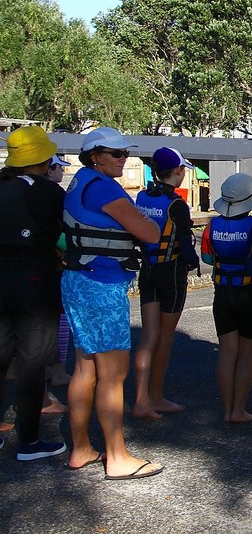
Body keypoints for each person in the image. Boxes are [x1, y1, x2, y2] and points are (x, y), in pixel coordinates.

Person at [62, 127, 164, 478]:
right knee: (113, 373)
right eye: (116, 154)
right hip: (102, 284)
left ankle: (80, 449)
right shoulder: (104, 187)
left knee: (85, 367)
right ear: (95, 156)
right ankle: (117, 457)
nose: (124, 159)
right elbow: (149, 233)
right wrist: (147, 219)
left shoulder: (80, 181)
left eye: (125, 154)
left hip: (77, 280)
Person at [0, 126, 68, 461]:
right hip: (34, 280)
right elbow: (66, 233)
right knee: (32, 361)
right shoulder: (47, 192)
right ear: (42, 159)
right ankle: (28, 440)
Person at [132, 147, 200, 420]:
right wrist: (193, 261)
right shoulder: (177, 204)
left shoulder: (142, 196)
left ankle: (140, 398)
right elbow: (185, 247)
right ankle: (156, 397)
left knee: (149, 336)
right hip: (171, 273)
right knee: (165, 337)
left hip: (147, 269)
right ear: (178, 172)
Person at [200, 172, 252, 423]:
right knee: (248, 353)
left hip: (222, 293)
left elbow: (207, 259)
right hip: (250, 294)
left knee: (227, 352)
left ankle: (227, 408)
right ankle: (239, 410)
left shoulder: (211, 225)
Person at [45, 155, 73, 390]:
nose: (62, 173)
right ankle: (59, 371)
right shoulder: (53, 196)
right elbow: (61, 236)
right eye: (59, 168)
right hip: (53, 265)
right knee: (59, 319)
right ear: (49, 169)